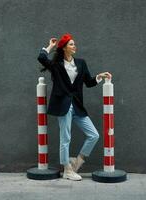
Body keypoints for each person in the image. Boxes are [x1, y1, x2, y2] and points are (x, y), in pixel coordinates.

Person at [37, 33, 112, 181]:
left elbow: (89, 82)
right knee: (65, 138)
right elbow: (41, 58)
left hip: (77, 105)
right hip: (63, 105)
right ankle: (67, 169)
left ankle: (76, 162)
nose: (74, 46)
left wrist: (99, 76)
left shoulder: (81, 63)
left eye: (74, 43)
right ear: (64, 48)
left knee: (94, 135)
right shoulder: (56, 65)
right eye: (71, 44)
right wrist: (50, 46)